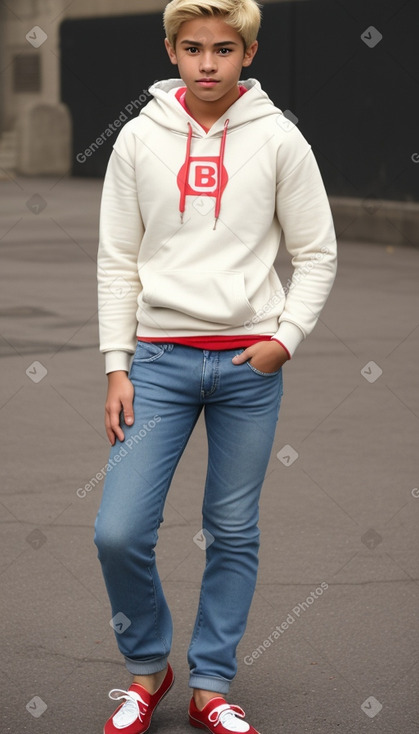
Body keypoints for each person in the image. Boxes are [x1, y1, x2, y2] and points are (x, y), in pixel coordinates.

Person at [94, 0, 337, 732]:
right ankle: (147, 670)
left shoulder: (279, 141)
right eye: (193, 48)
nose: (208, 63)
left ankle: (210, 684)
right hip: (159, 363)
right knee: (118, 532)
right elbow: (117, 260)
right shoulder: (138, 138)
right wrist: (117, 364)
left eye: (224, 49)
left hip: (247, 367)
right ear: (170, 51)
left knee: (231, 531)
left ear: (248, 56)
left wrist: (283, 338)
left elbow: (317, 253)